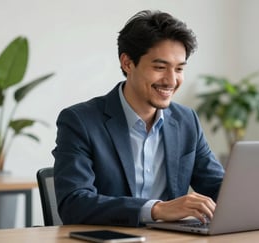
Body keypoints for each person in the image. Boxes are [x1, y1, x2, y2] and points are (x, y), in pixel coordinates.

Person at [52, 9, 224, 227]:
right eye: (160, 67)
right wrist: (156, 209)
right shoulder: (80, 121)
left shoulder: (186, 120)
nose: (171, 80)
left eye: (179, 69)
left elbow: (220, 188)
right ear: (127, 63)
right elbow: (74, 204)